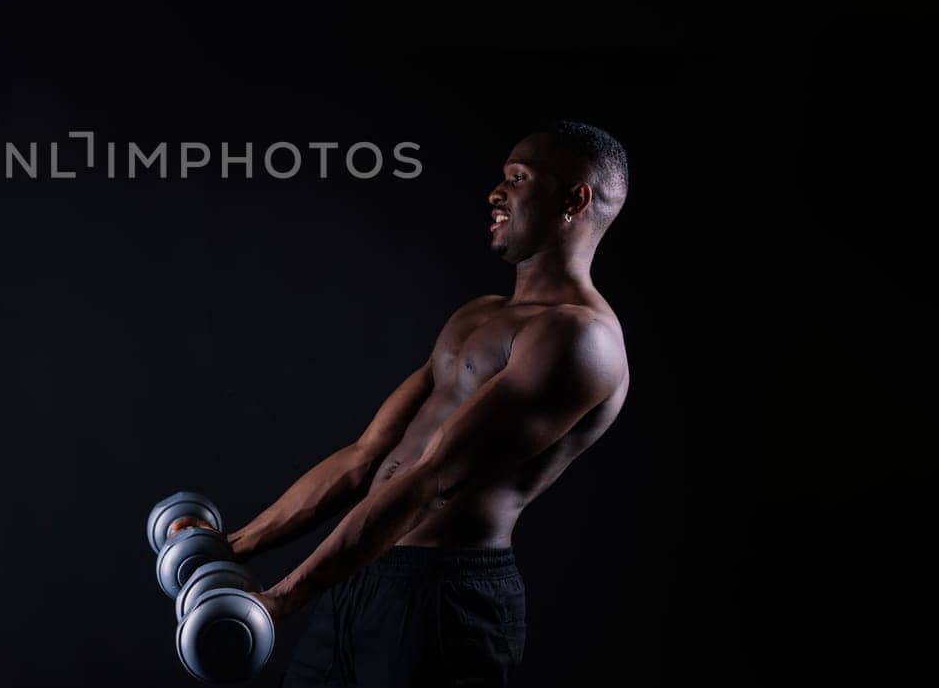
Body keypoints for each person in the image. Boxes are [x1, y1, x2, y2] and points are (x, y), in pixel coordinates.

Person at [169, 121, 632, 686]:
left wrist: (281, 600)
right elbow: (366, 457)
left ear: (574, 198)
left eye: (518, 178)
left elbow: (433, 478)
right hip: (360, 566)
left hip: (445, 599)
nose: (495, 192)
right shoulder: (479, 315)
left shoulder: (581, 340)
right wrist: (232, 545)